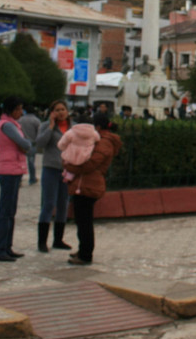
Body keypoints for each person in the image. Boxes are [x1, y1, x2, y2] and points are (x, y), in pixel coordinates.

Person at [61, 112, 122, 265]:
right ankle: (83, 250)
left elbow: (90, 164)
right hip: (85, 183)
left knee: (85, 221)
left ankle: (86, 254)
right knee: (82, 220)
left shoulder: (105, 142)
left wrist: (70, 166)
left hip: (89, 185)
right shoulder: (101, 140)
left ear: (98, 127)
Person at [0, 96, 32, 262]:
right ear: (11, 110)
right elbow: (25, 143)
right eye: (19, 109)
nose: (21, 112)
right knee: (5, 211)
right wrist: (25, 144)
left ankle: (6, 246)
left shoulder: (12, 124)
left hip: (14, 168)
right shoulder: (7, 125)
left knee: (10, 211)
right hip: (8, 169)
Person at [35, 99, 75, 253]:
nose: (60, 112)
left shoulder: (73, 128)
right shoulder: (45, 126)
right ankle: (42, 241)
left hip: (67, 169)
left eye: (63, 109)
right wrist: (51, 127)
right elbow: (40, 143)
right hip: (51, 168)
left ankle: (58, 239)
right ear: (52, 112)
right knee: (49, 203)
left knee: (63, 203)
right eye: (57, 110)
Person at [19, 107, 41, 185]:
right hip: (32, 143)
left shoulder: (20, 120)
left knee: (21, 162)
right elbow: (39, 133)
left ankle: (19, 179)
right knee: (31, 162)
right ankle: (32, 178)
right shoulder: (36, 120)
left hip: (21, 142)